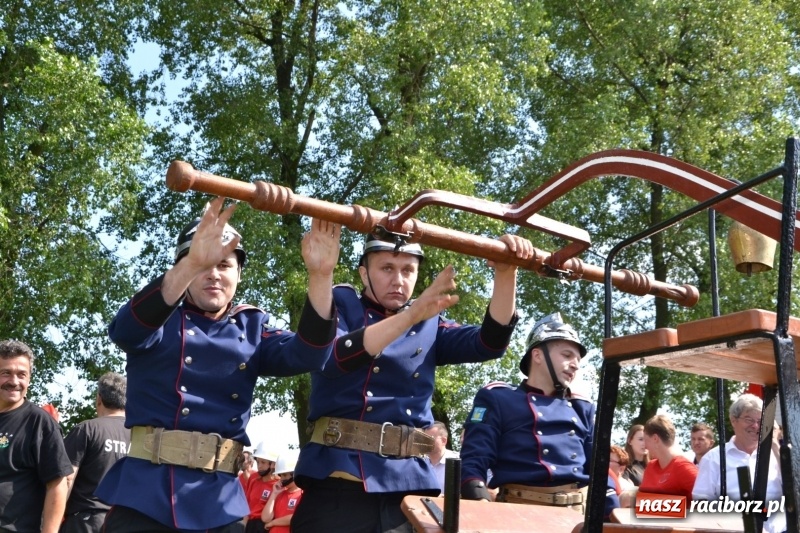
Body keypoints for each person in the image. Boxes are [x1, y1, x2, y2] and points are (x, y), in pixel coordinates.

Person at [95, 198, 339, 532]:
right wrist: (190, 263)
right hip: (147, 495)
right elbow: (124, 331)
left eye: (224, 265)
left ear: (239, 274)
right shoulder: (160, 318)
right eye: (203, 265)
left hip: (219, 501)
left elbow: (311, 354)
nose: (213, 274)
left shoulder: (252, 328)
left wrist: (321, 276)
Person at [292, 230, 533, 533]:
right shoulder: (340, 304)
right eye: (387, 268)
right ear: (364, 274)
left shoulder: (427, 322)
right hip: (339, 488)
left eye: (408, 270)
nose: (398, 280)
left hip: (408, 491)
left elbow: (489, 342)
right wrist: (409, 316)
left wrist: (506, 273)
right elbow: (331, 358)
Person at [459, 313, 619, 519]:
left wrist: (613, 514)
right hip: (517, 516)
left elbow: (599, 470)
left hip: (576, 519)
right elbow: (474, 460)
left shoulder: (582, 407)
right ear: (537, 356)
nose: (575, 365)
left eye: (578, 360)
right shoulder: (498, 398)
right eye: (567, 355)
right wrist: (480, 503)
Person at [0, 339, 73, 533]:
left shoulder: (40, 423)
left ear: (29, 379)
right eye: (6, 373)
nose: (14, 381)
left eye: (21, 374)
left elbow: (58, 484)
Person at [693, 393, 785, 533]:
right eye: (749, 419)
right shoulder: (714, 459)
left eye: (760, 421)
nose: (755, 426)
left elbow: (794, 487)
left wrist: (774, 444)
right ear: (733, 420)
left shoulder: (775, 454)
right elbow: (701, 502)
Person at [60, 372, 130, 533]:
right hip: (125, 522)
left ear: (99, 399)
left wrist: (51, 521)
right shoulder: (140, 436)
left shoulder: (87, 429)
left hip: (86, 522)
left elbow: (67, 479)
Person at [638, 414, 697, 500]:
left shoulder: (683, 467)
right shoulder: (651, 466)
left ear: (655, 439)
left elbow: (708, 501)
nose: (645, 446)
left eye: (645, 440)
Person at [261, 452, 302, 533]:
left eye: (285, 475)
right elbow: (265, 518)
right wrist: (274, 494)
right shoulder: (279, 494)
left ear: (294, 474)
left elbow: (296, 517)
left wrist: (273, 523)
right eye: (281, 475)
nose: (282, 479)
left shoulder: (302, 494)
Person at [242, 442, 279, 533]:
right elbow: (247, 504)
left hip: (266, 526)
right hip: (250, 524)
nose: (259, 466)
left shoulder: (279, 485)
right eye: (258, 462)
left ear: (273, 464)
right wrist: (243, 526)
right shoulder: (253, 478)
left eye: (263, 462)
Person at [424, 421, 460, 495]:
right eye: (424, 438)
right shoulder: (419, 463)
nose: (425, 442)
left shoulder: (458, 462)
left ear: (444, 441)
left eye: (430, 438)